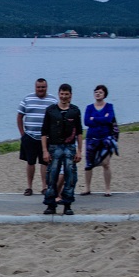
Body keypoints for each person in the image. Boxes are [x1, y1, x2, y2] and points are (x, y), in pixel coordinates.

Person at [41, 83, 83, 215]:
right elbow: (44, 132)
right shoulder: (51, 110)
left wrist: (79, 150)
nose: (64, 97)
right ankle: (50, 204)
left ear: (71, 95)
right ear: (58, 94)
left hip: (70, 147)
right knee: (52, 175)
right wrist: (45, 151)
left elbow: (79, 132)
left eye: (66, 94)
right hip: (54, 147)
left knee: (71, 176)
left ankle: (67, 204)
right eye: (62, 94)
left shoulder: (75, 111)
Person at [17, 78, 58, 196]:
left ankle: (44, 187)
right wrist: (22, 134)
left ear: (47, 87)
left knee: (45, 162)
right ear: (35, 87)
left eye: (43, 87)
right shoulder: (27, 99)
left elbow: (56, 118)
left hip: (46, 138)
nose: (41, 89)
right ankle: (29, 187)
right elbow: (20, 116)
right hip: (29, 136)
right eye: (39, 87)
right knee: (30, 162)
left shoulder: (53, 100)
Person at [82, 84, 119, 196]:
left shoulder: (109, 106)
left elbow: (109, 119)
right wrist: (100, 119)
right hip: (91, 139)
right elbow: (86, 122)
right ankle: (87, 188)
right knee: (88, 164)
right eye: (96, 92)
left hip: (105, 139)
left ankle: (107, 189)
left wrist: (95, 119)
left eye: (100, 92)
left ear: (104, 94)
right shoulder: (89, 107)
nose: (98, 94)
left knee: (106, 163)